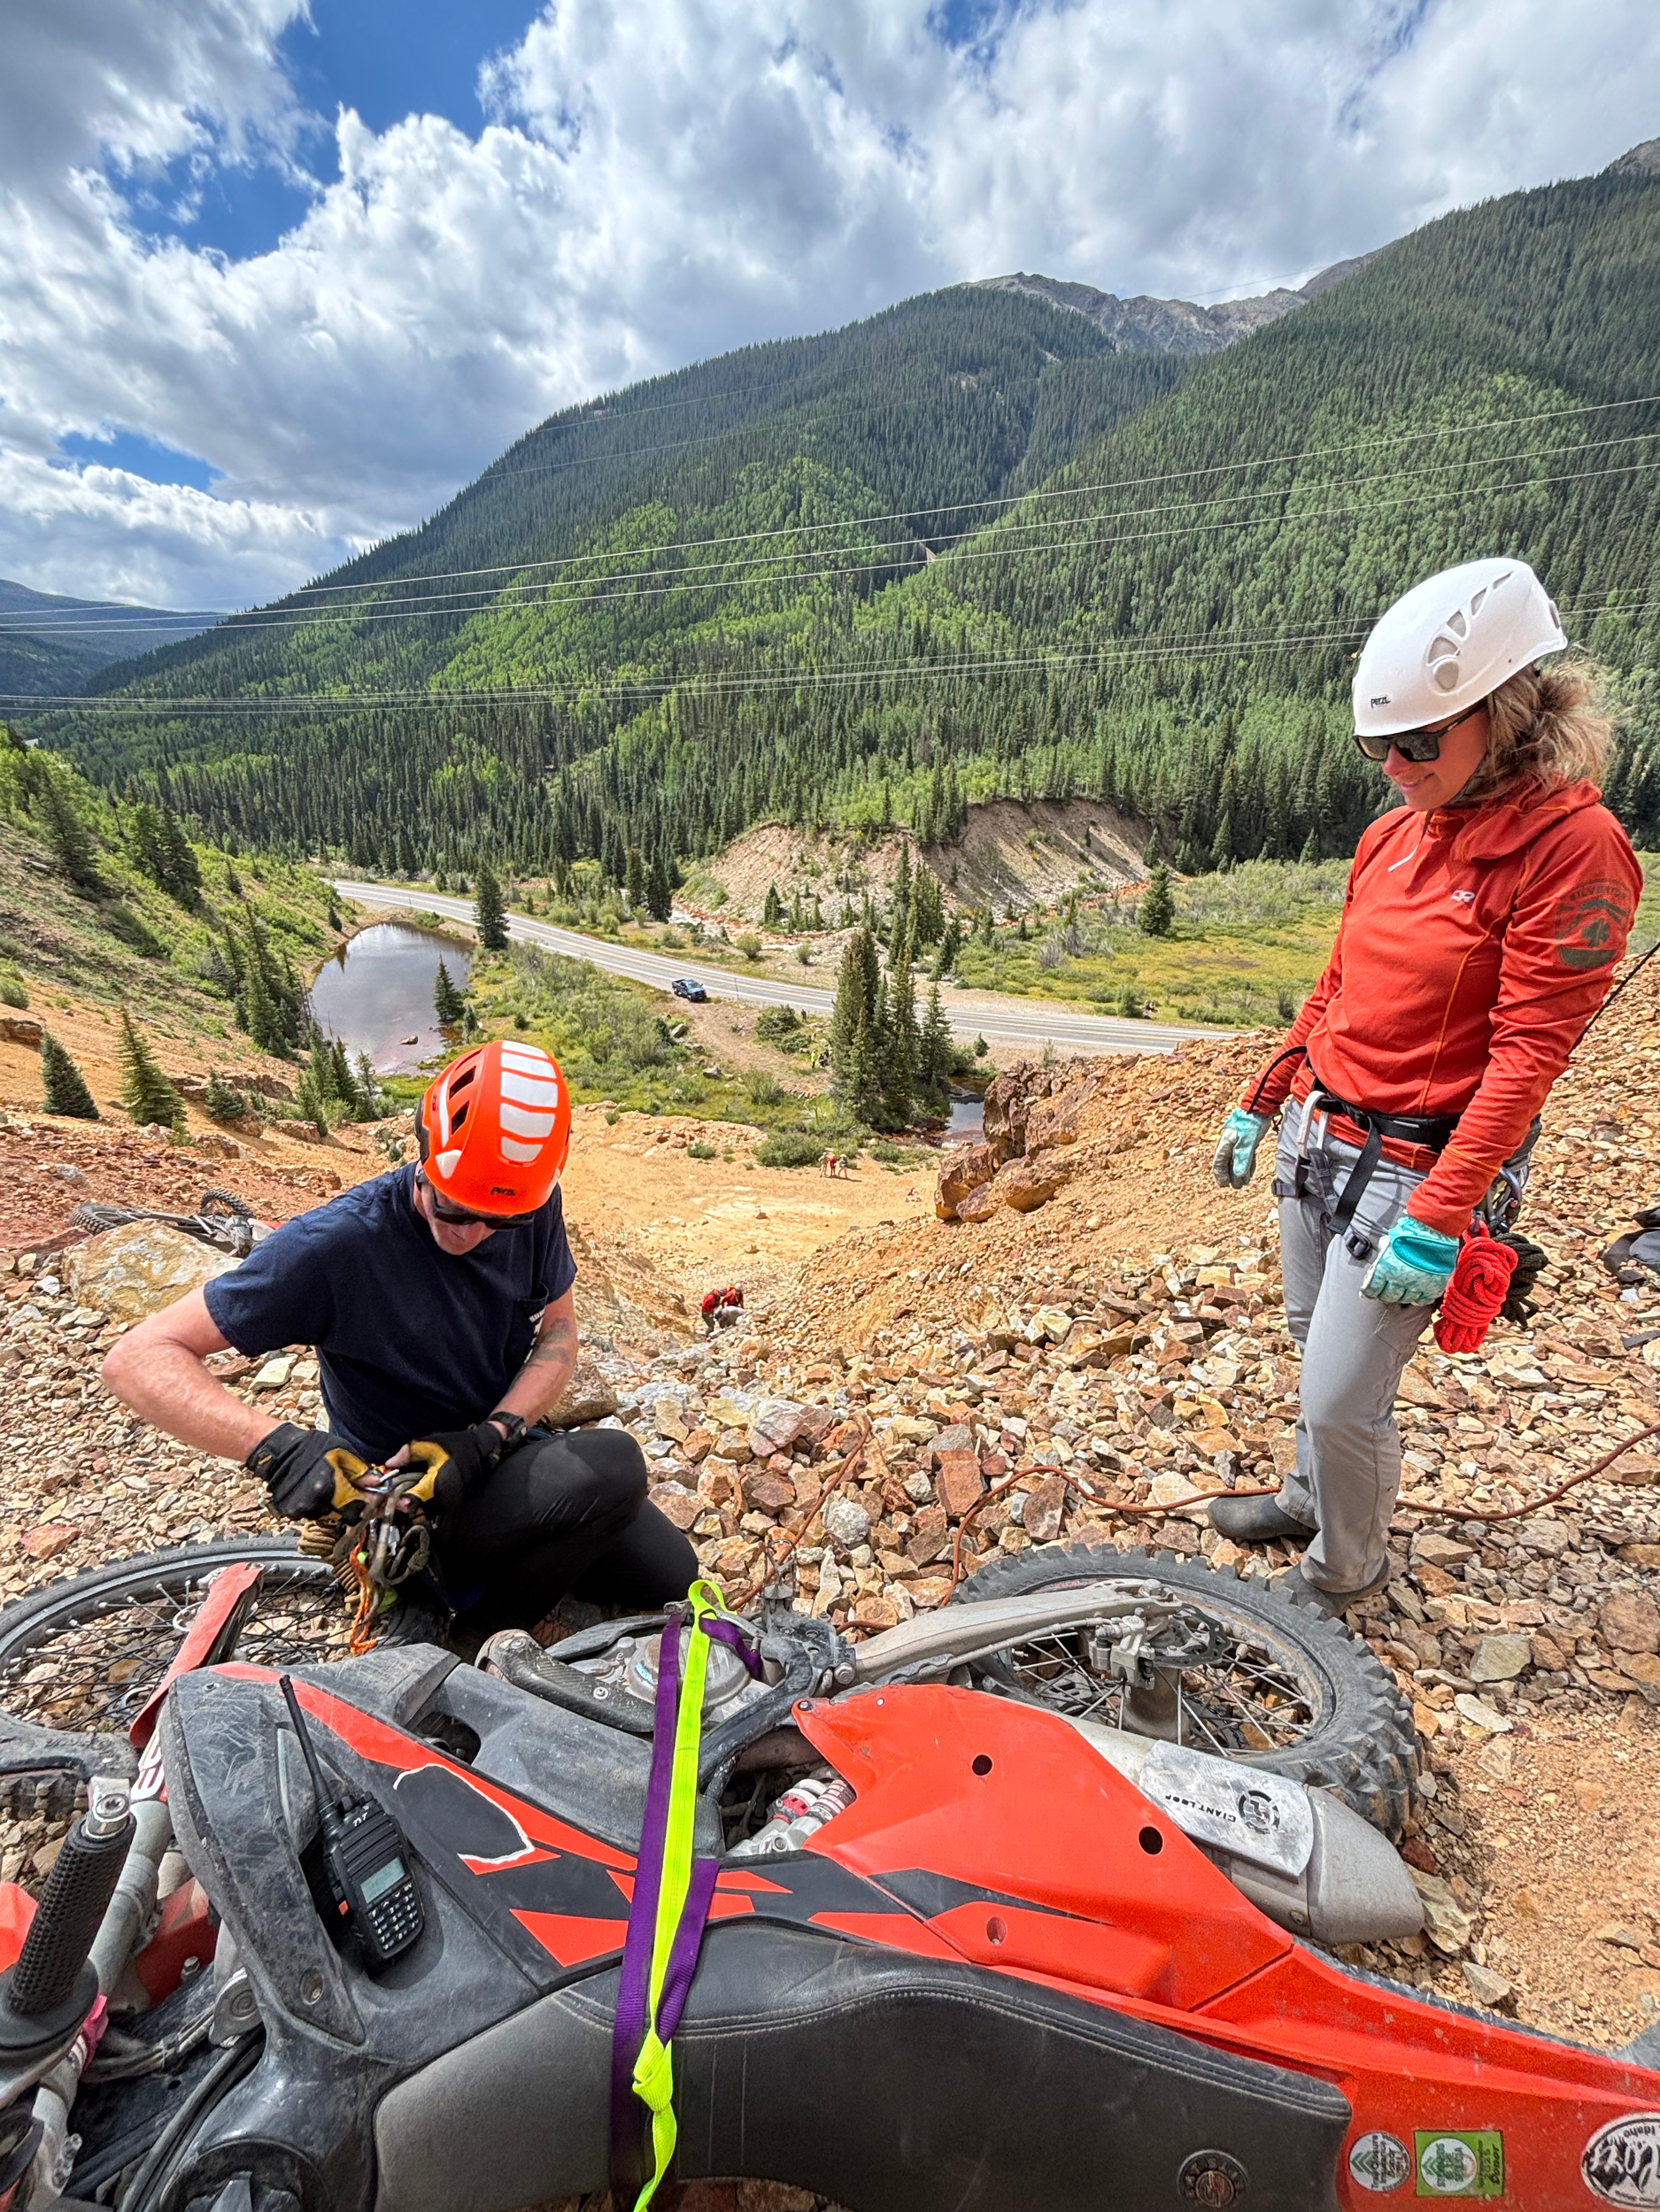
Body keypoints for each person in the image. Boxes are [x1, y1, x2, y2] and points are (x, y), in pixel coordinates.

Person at [1208, 557, 1641, 1615]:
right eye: (1376, 747)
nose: (1393, 767)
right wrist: (1266, 1097)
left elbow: (1530, 1056)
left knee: (1345, 1395)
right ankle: (1310, 1498)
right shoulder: (1392, 834)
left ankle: (1345, 1573)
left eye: (1417, 743)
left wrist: (1444, 1215)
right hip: (1329, 1136)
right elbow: (1339, 984)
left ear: (1506, 713)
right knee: (1314, 1344)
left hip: (1421, 1164)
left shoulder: (1573, 852)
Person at [102, 1038, 696, 1646]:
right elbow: (138, 1357)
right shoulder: (336, 1246)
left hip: (485, 1459)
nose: (475, 1234)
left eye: (501, 1221)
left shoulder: (525, 1199)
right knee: (612, 1465)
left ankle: (479, 1576)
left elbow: (559, 1333)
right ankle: (462, 1649)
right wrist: (276, 1448)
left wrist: (488, 1435)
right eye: (453, 1209)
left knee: (669, 1576)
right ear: (426, 1151)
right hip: (400, 1496)